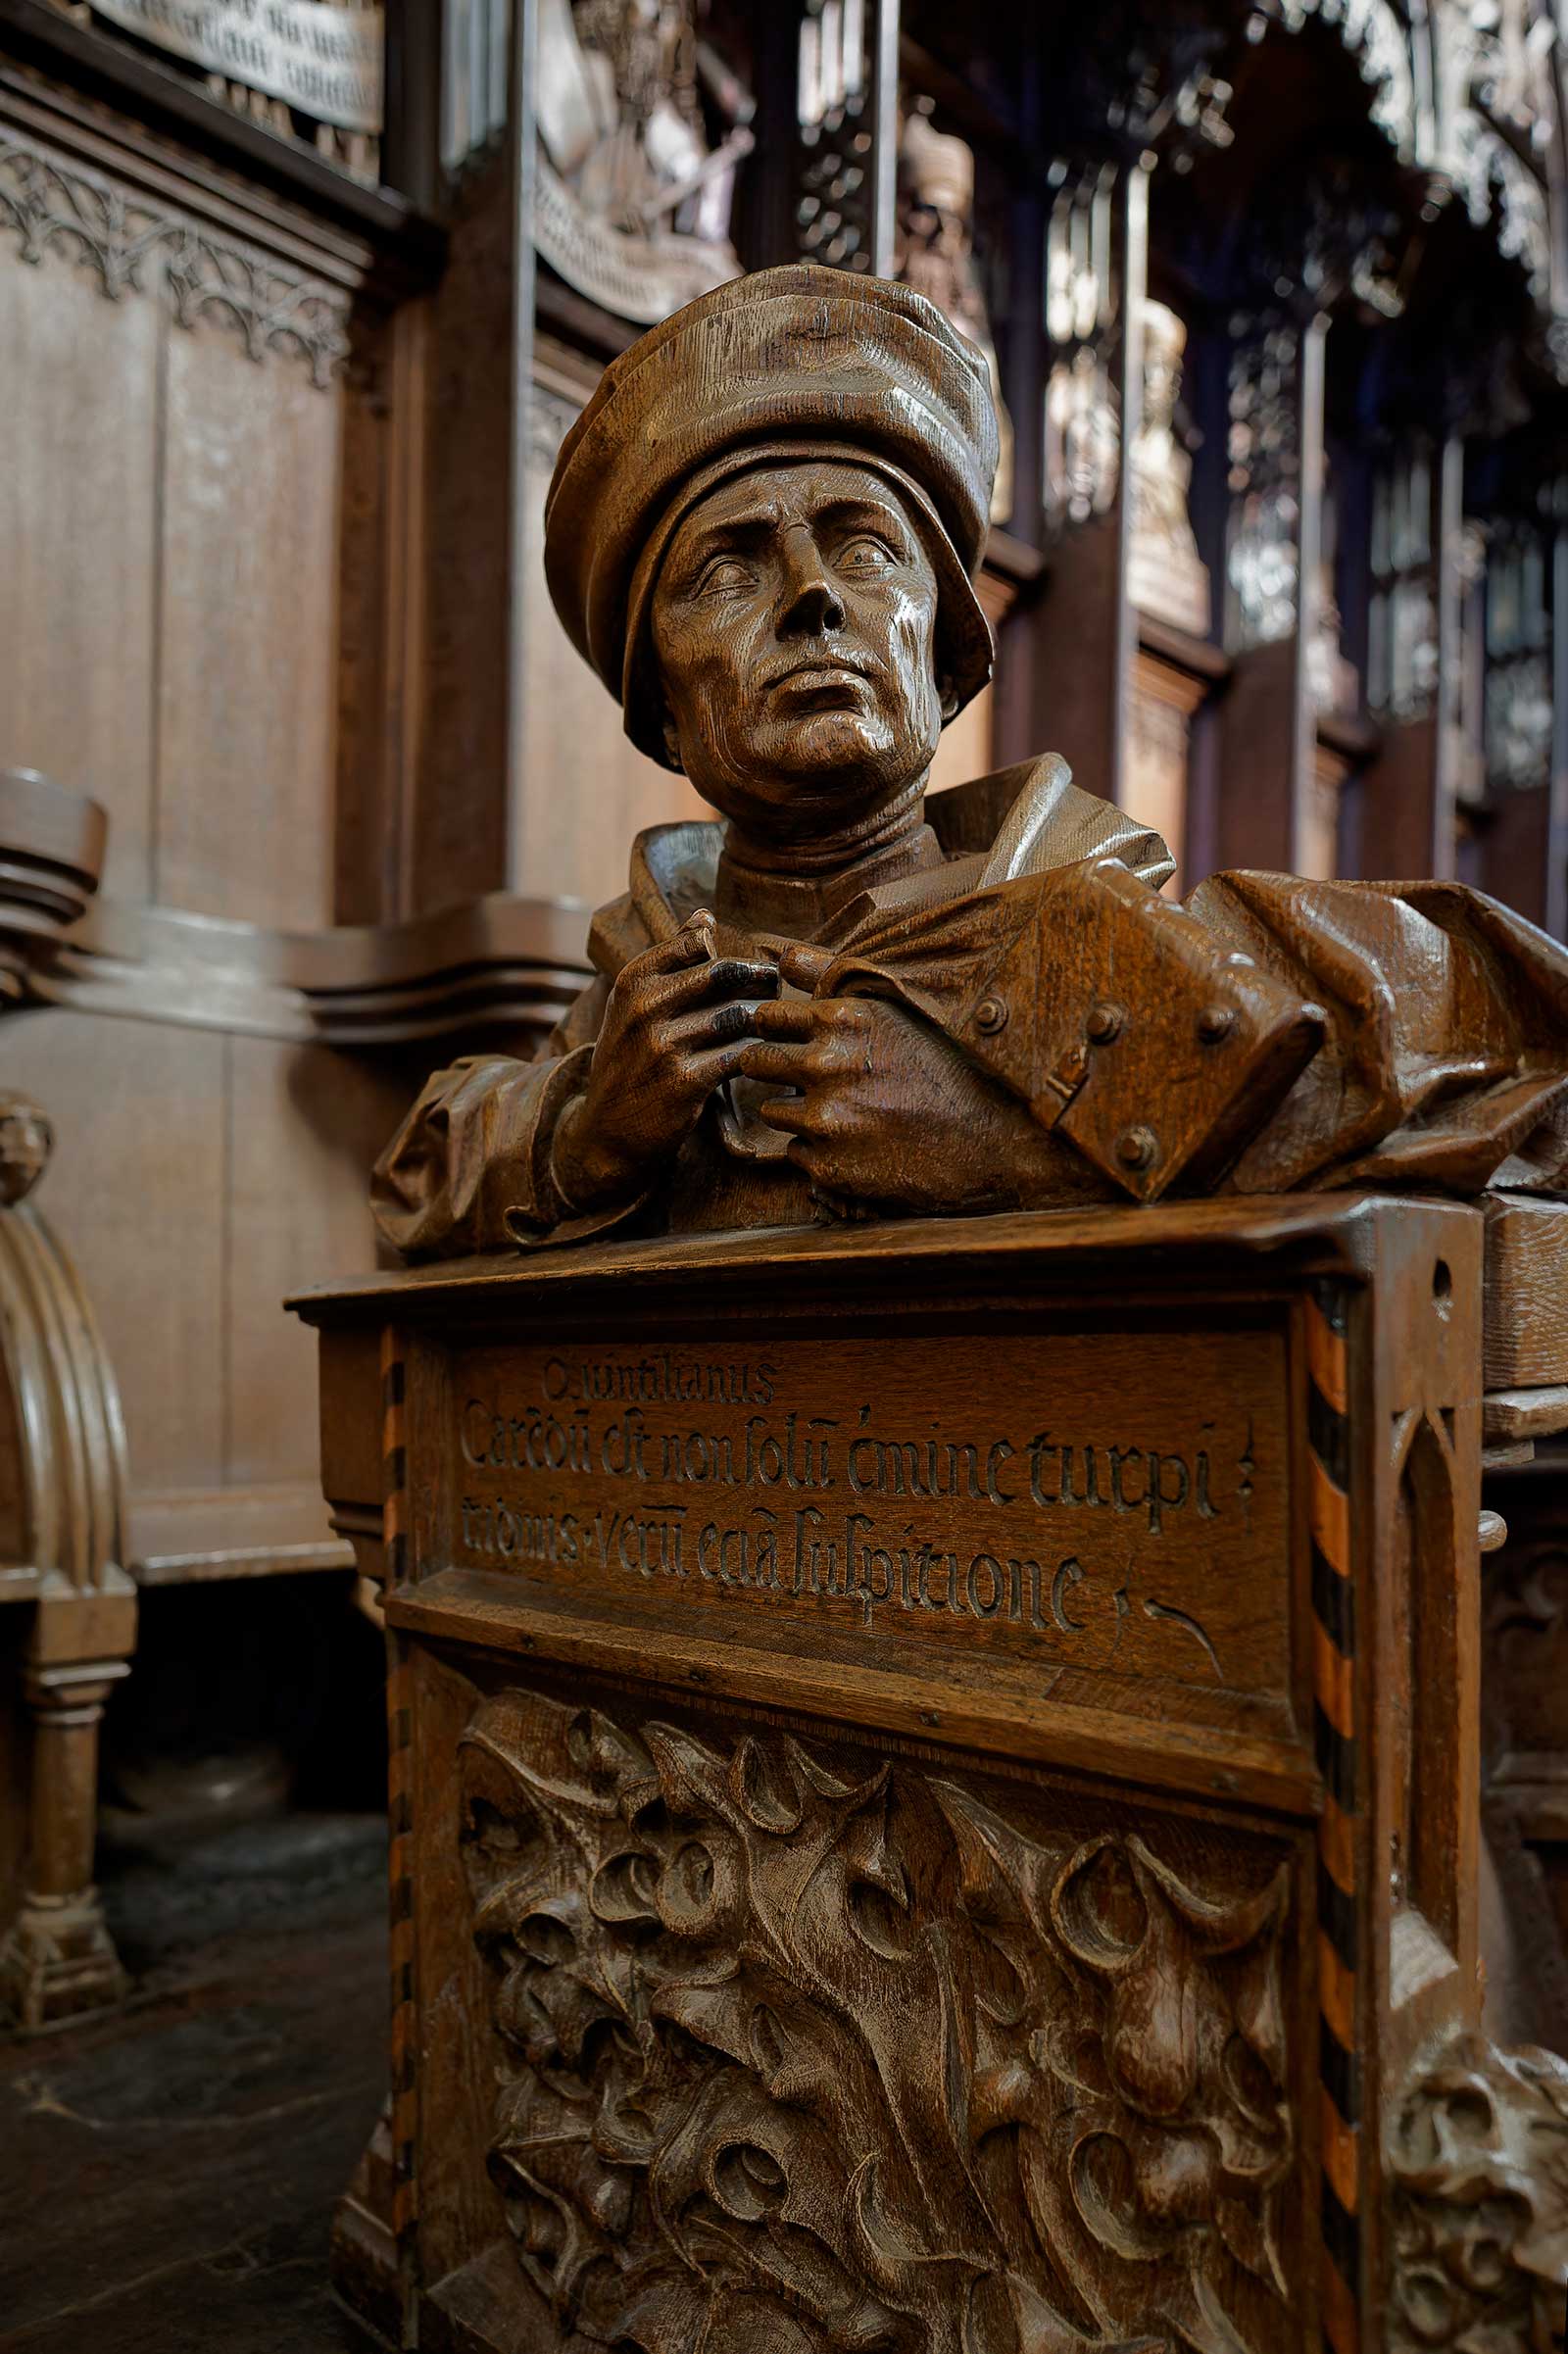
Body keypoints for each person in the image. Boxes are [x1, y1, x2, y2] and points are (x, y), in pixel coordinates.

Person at [374, 264, 1568, 1258]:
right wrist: (588, 1138)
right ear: (664, 721)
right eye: (728, 570)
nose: (810, 603)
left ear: (949, 664)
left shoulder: (1100, 931)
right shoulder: (644, 1001)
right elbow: (418, 1178)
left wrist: (1018, 1138)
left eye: (864, 548)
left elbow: (1516, 1059)